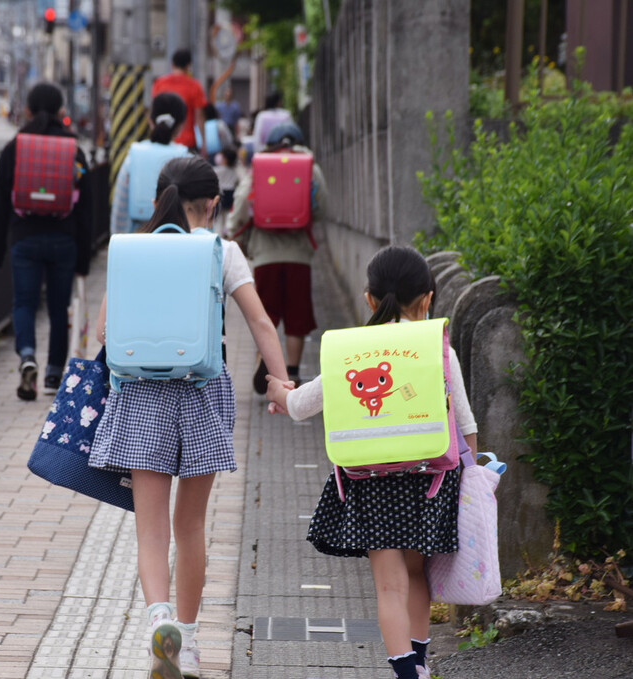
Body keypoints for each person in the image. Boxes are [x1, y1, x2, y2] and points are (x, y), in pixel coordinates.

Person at [89, 156, 288, 679]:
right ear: (214, 204)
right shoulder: (222, 252)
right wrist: (280, 383)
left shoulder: (132, 250)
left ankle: (159, 623)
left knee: (150, 530)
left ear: (159, 199)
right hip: (201, 392)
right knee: (191, 524)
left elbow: (104, 332)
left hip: (141, 397)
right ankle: (191, 641)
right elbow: (261, 322)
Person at [266, 245, 479, 679]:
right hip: (431, 479)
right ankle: (420, 664)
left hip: (371, 480)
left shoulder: (353, 351)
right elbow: (466, 422)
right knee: (418, 575)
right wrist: (471, 474)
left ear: (369, 299)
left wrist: (279, 393)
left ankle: (406, 673)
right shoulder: (437, 348)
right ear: (428, 298)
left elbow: (302, 404)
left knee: (389, 584)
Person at [0, 83, 93, 401]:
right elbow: (86, 208)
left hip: (25, 238)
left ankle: (28, 355)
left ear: (29, 111)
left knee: (24, 303)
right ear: (62, 111)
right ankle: (52, 374)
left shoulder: (15, 146)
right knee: (60, 308)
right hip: (64, 239)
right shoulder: (74, 148)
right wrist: (84, 261)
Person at [228, 121, 325, 390]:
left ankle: (266, 360)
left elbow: (239, 204)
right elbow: (323, 205)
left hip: (264, 254)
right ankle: (292, 371)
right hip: (299, 254)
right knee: (297, 315)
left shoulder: (260, 167)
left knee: (266, 313)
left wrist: (238, 237)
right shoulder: (309, 166)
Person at [110, 92, 189, 235]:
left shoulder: (133, 156)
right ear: (180, 126)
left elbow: (120, 210)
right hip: (177, 242)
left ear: (150, 120)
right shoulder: (186, 158)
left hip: (138, 239)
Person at [151, 49, 207, 153]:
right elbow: (199, 117)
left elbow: (154, 112)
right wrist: (204, 143)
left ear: (172, 64)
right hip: (186, 143)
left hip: (161, 142)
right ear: (188, 65)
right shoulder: (195, 86)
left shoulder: (159, 83)